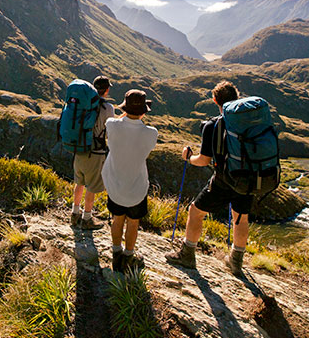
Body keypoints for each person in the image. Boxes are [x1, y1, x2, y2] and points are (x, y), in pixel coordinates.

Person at [165, 80, 249, 276]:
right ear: (236, 98)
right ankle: (236, 262)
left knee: (195, 211)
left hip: (224, 179)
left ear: (214, 100)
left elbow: (203, 161)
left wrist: (188, 158)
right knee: (240, 218)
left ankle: (187, 254)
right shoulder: (247, 122)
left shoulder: (213, 125)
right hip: (247, 178)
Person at [102, 89, 158, 272]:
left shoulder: (112, 125)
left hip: (115, 184)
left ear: (124, 109)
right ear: (144, 112)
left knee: (117, 219)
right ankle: (128, 255)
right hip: (137, 187)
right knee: (133, 222)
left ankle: (116, 252)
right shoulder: (151, 133)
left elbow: (115, 122)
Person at [71, 75, 116, 230]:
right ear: (107, 90)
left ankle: (75, 213)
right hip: (95, 152)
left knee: (80, 182)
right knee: (91, 186)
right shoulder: (108, 108)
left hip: (79, 148)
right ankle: (87, 218)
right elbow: (110, 131)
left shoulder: (83, 103)